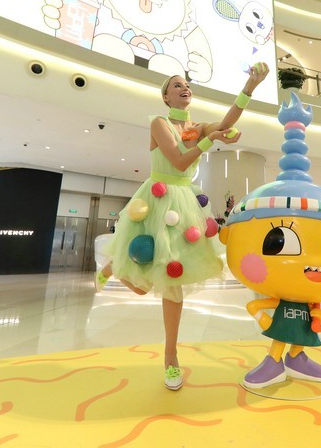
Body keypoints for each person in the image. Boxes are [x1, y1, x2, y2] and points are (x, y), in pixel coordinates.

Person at [95, 63, 269, 390]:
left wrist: (250, 87)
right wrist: (209, 141)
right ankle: (115, 266)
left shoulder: (195, 127)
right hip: (158, 199)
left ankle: (170, 357)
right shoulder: (159, 123)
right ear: (166, 97)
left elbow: (227, 124)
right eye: (176, 85)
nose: (184, 87)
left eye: (186, 84)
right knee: (144, 285)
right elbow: (177, 161)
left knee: (173, 281)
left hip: (185, 203)